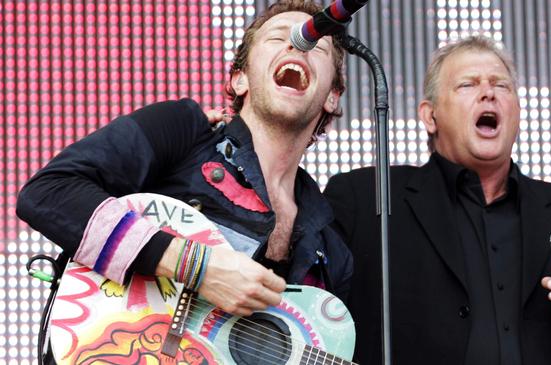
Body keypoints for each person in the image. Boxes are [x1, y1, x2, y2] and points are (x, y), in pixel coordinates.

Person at [17, 0, 352, 362]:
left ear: (332, 96)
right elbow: (49, 193)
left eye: (316, 45)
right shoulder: (185, 133)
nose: (297, 45)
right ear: (239, 79)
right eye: (277, 38)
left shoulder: (329, 249)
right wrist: (198, 267)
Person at [323, 36, 551, 364]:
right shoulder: (366, 200)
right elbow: (312, 318)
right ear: (430, 116)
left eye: (501, 85)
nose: (488, 92)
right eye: (468, 84)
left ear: (517, 111)